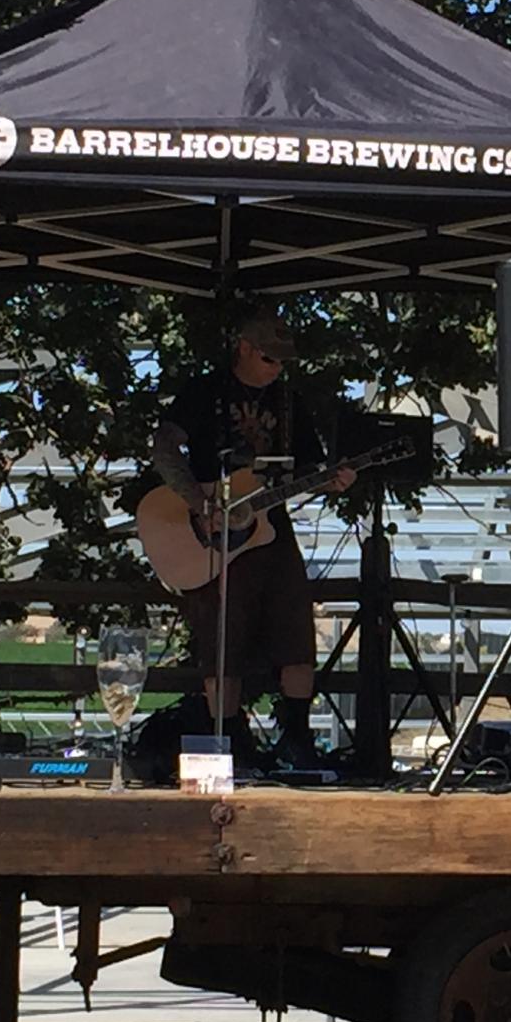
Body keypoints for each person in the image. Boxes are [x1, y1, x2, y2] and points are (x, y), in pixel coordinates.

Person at [149, 311, 355, 771]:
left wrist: (329, 481)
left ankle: (296, 739)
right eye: (268, 358)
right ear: (243, 347)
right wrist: (197, 501)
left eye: (283, 362)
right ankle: (230, 742)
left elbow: (306, 469)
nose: (276, 369)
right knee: (223, 642)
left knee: (296, 632)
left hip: (271, 527)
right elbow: (165, 447)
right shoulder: (205, 391)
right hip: (212, 528)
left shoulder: (288, 401)